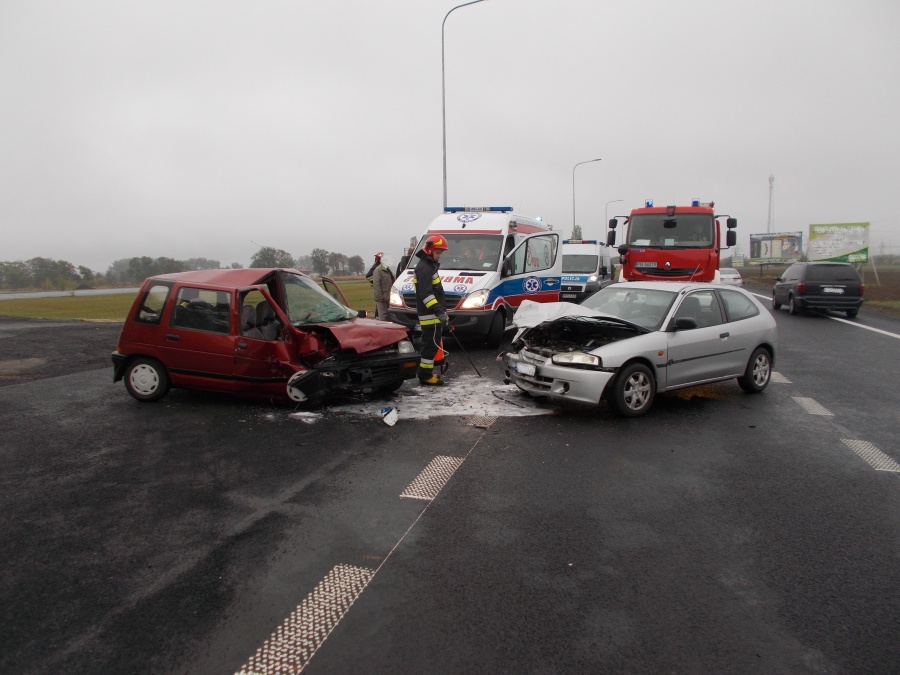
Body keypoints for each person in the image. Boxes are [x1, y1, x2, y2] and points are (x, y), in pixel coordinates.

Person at [414, 235, 449, 385]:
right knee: (429, 346)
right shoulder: (425, 268)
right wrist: (439, 311)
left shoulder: (429, 266)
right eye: (438, 252)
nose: (439, 255)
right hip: (430, 315)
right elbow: (426, 294)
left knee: (430, 345)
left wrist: (441, 310)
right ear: (429, 250)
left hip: (433, 314)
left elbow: (436, 293)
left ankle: (426, 373)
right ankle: (425, 376)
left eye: (441, 252)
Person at [372, 252, 395, 320]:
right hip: (382, 298)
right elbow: (376, 285)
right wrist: (380, 298)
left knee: (389, 316)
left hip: (388, 298)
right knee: (382, 316)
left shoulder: (388, 270)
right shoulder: (378, 270)